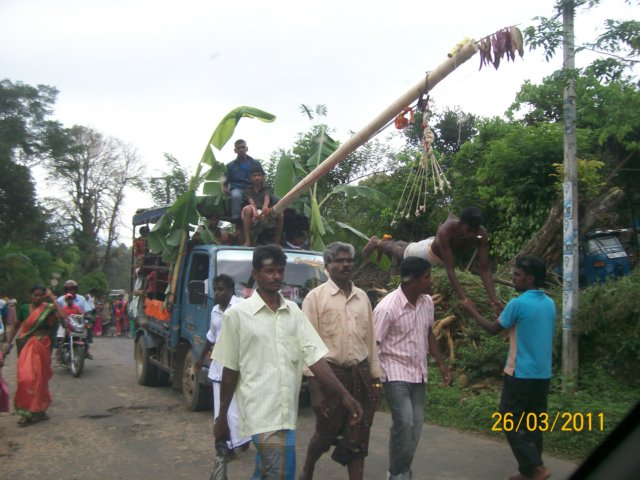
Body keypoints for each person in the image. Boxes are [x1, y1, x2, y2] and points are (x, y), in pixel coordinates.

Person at [211, 244, 363, 479]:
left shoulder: (293, 312)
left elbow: (315, 360)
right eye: (270, 271)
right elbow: (230, 370)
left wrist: (344, 395)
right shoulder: (237, 316)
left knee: (267, 471)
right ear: (255, 274)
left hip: (285, 412)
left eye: (280, 271)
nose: (276, 277)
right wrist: (222, 418)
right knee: (283, 472)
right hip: (259, 411)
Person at [461, 256, 556, 480]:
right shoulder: (548, 303)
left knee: (509, 419)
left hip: (520, 372)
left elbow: (494, 329)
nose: (512, 278)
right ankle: (529, 472)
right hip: (543, 374)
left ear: (530, 278)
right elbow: (526, 322)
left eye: (517, 275)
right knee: (533, 424)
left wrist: (471, 310)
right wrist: (507, 310)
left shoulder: (518, 304)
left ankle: (537, 467)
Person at [299, 242, 382, 480]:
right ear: (327, 266)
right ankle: (308, 468)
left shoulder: (362, 298)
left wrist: (375, 379)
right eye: (339, 260)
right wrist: (314, 389)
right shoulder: (315, 298)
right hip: (329, 377)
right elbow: (308, 345)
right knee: (324, 435)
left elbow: (371, 340)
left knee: (359, 435)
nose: (345, 264)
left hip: (361, 374)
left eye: (349, 260)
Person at [373, 256, 451, 480]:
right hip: (394, 373)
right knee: (404, 423)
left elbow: (428, 333)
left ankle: (399, 470)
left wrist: (442, 364)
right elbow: (374, 344)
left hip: (418, 373)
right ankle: (399, 474)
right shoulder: (387, 308)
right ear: (413, 281)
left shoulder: (426, 302)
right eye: (427, 277)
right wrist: (374, 380)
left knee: (415, 428)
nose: (431, 281)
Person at [363, 206, 502, 316]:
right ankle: (377, 242)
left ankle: (383, 243)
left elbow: (485, 268)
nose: (472, 235)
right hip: (428, 255)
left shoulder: (481, 233)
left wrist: (493, 300)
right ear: (460, 224)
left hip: (434, 244)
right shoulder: (446, 230)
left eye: (475, 231)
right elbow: (450, 269)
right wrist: (464, 298)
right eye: (469, 230)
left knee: (406, 246)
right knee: (402, 252)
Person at [196, 274, 251, 453]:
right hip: (219, 365)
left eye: (221, 289)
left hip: (238, 365)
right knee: (222, 406)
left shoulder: (241, 307)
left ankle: (238, 439)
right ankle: (226, 442)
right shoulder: (215, 311)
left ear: (230, 290)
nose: (217, 293)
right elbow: (211, 337)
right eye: (216, 289)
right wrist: (200, 358)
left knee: (237, 406)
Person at [2, 285, 65, 426]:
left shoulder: (48, 308)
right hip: (25, 346)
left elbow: (62, 316)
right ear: (30, 295)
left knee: (40, 379)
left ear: (44, 296)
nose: (37, 298)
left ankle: (38, 410)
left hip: (42, 346)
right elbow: (16, 326)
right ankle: (26, 410)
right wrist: (8, 343)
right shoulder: (24, 309)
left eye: (40, 295)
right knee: (25, 378)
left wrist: (53, 298)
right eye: (35, 295)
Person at [241, 164, 284, 247]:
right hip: (252, 210)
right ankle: (247, 240)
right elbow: (251, 202)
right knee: (247, 209)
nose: (257, 177)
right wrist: (255, 212)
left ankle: (277, 242)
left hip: (265, 210)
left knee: (280, 214)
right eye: (254, 175)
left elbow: (267, 198)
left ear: (263, 177)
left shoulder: (266, 187)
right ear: (251, 178)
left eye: (259, 175)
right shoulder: (247, 189)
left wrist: (265, 208)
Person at [224, 139, 264, 225]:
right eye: (239, 148)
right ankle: (236, 219)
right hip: (238, 188)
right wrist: (225, 189)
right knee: (235, 196)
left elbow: (261, 177)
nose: (241, 149)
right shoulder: (230, 165)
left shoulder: (255, 163)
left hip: (252, 188)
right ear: (235, 150)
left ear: (247, 148)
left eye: (243, 147)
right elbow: (224, 182)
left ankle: (260, 218)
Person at [57, 280, 93, 359]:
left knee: (88, 328)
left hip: (78, 324)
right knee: (60, 337)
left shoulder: (81, 299)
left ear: (76, 290)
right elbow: (56, 311)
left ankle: (86, 349)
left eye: (72, 289)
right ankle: (60, 351)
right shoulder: (60, 300)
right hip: (65, 324)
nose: (71, 291)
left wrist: (88, 316)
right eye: (68, 289)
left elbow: (86, 311)